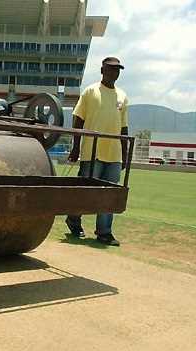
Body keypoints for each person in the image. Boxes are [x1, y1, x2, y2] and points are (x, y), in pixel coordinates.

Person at [65, 57, 129, 246]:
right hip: (91, 152)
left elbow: (124, 128)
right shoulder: (90, 91)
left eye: (118, 70)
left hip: (114, 153)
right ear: (102, 70)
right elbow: (78, 120)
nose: (114, 73)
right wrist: (75, 147)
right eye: (111, 69)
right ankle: (74, 219)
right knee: (86, 192)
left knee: (110, 194)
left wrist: (124, 154)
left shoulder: (123, 96)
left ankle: (104, 232)